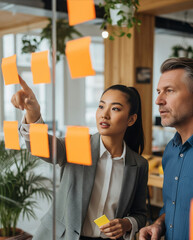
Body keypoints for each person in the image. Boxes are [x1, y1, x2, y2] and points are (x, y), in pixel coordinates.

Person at [11, 80, 148, 240]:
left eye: (115, 108)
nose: (104, 114)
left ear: (131, 119)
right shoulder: (79, 144)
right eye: (101, 106)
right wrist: (33, 113)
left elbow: (140, 214)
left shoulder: (138, 165)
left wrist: (127, 223)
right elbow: (43, 148)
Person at [139, 57, 193, 240]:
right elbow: (173, 205)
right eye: (158, 92)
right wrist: (159, 224)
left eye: (169, 91)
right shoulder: (171, 150)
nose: (158, 100)